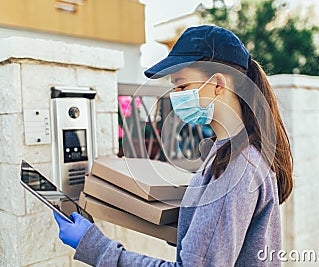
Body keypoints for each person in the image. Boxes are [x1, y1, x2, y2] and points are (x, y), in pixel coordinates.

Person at [53, 25, 293, 267]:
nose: (175, 95)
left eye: (181, 86)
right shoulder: (235, 152)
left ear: (219, 84)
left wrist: (94, 246)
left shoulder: (235, 167)